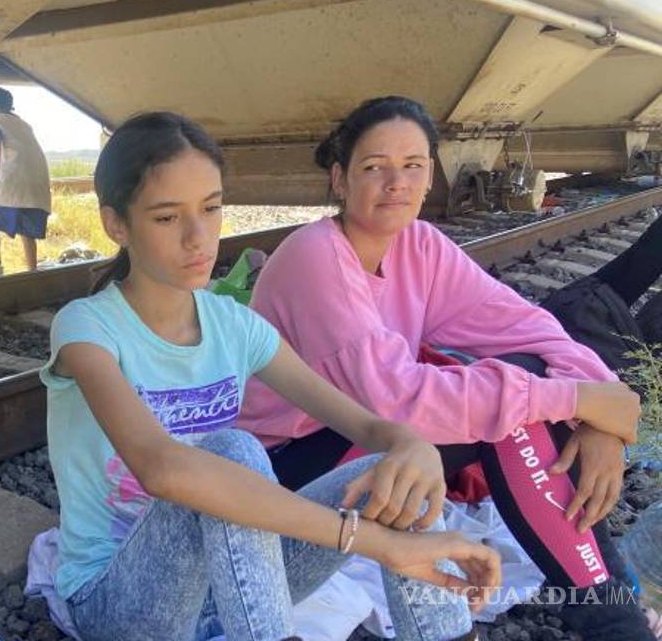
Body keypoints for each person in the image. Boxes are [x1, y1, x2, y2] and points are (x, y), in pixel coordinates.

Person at [41, 111, 499, 641]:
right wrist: (377, 542)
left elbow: (367, 426)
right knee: (232, 452)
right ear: (117, 224)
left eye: (211, 209)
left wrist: (409, 445)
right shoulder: (86, 328)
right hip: (123, 603)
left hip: (233, 586)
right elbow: (163, 470)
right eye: (167, 218)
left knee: (394, 471)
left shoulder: (235, 326)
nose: (198, 239)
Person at [238, 96, 657, 640]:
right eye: (374, 167)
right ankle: (617, 624)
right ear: (340, 180)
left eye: (412, 166)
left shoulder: (420, 245)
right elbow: (395, 400)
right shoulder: (314, 255)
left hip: (369, 442)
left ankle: (613, 614)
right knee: (512, 410)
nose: (396, 183)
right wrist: (578, 403)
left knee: (522, 381)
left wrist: (600, 411)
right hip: (289, 468)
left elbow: (527, 328)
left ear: (430, 173)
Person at [0, 86, 52, 278]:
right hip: (37, 182)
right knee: (27, 229)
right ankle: (32, 271)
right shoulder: (22, 123)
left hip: (14, 180)